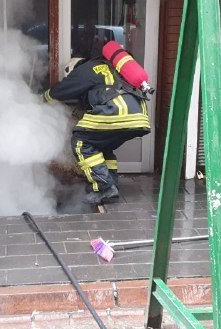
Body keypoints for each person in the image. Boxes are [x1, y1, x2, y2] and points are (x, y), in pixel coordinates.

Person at [43, 30, 151, 204]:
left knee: (80, 141)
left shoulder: (87, 69)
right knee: (103, 146)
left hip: (116, 112)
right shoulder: (112, 68)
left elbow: (64, 89)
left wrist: (43, 98)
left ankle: (103, 187)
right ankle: (112, 184)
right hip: (139, 115)